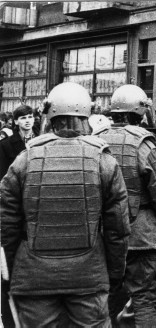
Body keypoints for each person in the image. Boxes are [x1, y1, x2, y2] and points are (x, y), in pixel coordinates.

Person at [0, 81, 130, 327]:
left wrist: (10, 273)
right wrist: (114, 274)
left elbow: (7, 225)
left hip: (33, 277)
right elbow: (118, 229)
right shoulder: (103, 160)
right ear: (88, 114)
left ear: (49, 114)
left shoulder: (24, 159)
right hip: (89, 275)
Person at [94, 84, 156, 327]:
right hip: (141, 232)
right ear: (140, 112)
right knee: (145, 299)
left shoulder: (95, 140)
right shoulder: (144, 142)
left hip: (103, 232)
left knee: (102, 298)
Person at [0, 105, 36, 180]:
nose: (27, 120)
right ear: (16, 121)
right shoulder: (5, 145)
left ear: (33, 119)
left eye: (30, 117)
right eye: (23, 118)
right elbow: (2, 173)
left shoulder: (41, 141)